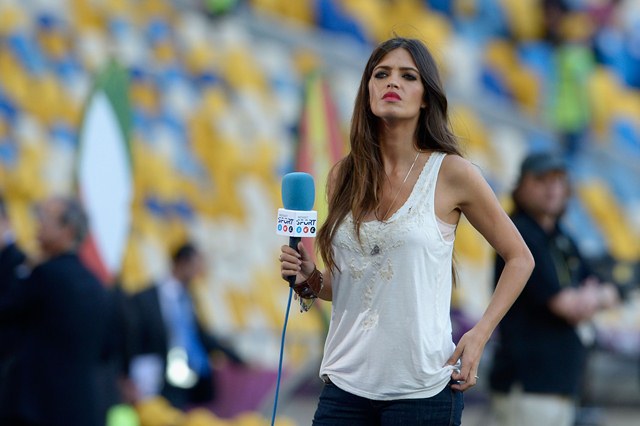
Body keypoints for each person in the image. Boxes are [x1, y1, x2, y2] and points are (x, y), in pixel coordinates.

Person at [279, 37, 535, 425]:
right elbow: (350, 285)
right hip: (344, 386)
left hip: (422, 392)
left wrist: (480, 334)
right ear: (367, 91)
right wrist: (309, 277)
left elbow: (520, 258)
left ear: (426, 97)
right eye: (381, 74)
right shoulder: (342, 175)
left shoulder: (453, 173)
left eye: (408, 76)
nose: (392, 83)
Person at [488, 151, 620, 426]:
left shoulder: (560, 236)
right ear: (521, 186)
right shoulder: (520, 234)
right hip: (529, 384)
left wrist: (592, 296)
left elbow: (611, 289)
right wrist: (591, 297)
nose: (552, 188)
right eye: (541, 180)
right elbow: (567, 306)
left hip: (559, 385)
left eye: (558, 180)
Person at [0, 196, 111, 426]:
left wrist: (20, 264)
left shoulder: (45, 275)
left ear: (67, 230)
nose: (38, 223)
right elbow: (107, 349)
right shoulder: (96, 284)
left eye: (44, 217)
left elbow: (7, 312)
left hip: (38, 408)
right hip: (82, 408)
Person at [129, 242, 244, 410]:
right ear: (182, 263)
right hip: (161, 377)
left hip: (193, 374)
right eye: (196, 265)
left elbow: (199, 334)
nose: (199, 272)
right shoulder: (146, 298)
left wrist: (235, 357)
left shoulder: (188, 297)